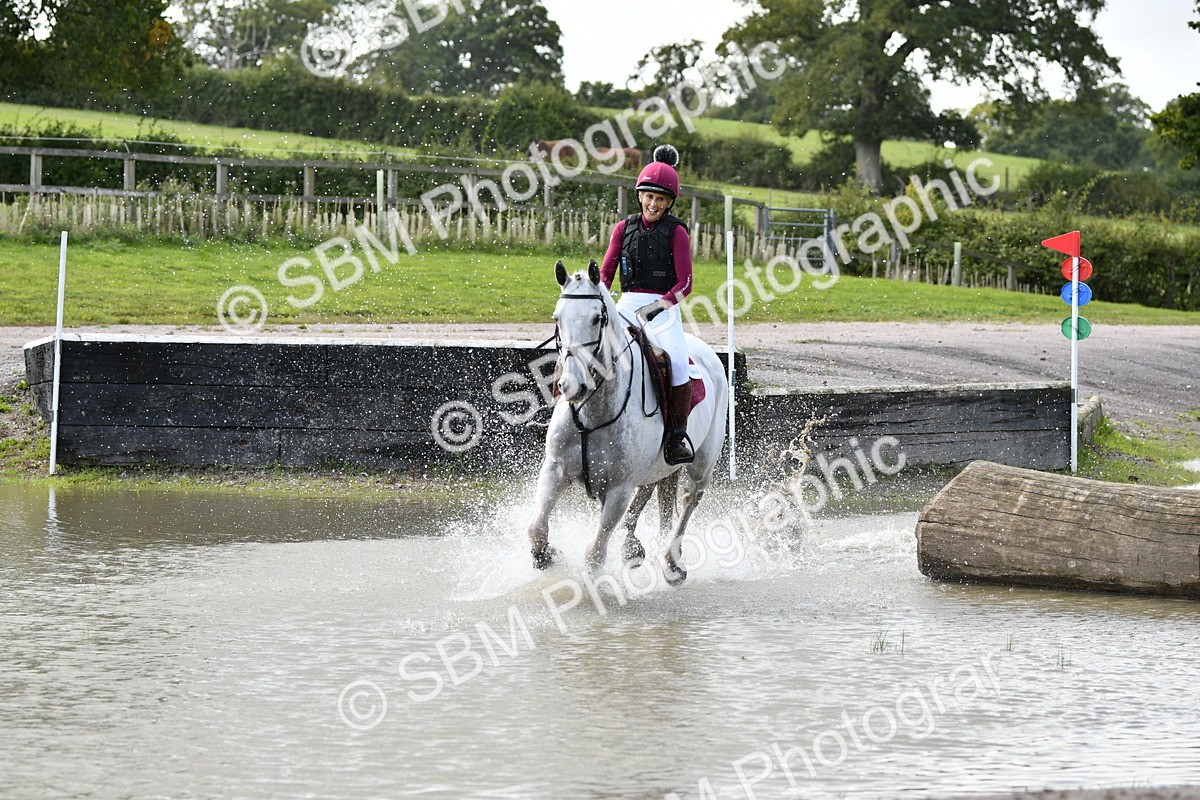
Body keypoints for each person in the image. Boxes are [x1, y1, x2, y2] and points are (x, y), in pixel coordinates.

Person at [599, 143, 696, 465]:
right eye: (649, 197)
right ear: (640, 195)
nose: (653, 204)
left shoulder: (677, 232)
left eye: (661, 199)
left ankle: (676, 436)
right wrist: (598, 302)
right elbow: (606, 274)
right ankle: (561, 406)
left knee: (679, 364)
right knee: (589, 347)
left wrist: (660, 306)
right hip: (627, 305)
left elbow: (685, 284)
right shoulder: (622, 229)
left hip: (663, 309)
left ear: (669, 203)